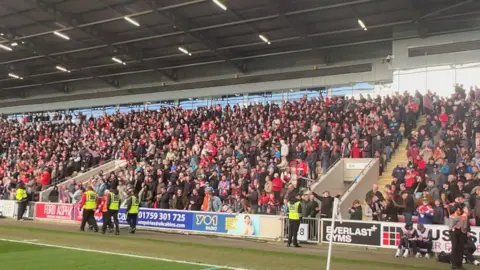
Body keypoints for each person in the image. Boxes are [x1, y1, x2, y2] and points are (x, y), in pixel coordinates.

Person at [449, 203, 469, 269]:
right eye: (457, 209)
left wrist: (467, 230)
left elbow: (466, 224)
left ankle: (459, 264)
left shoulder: (464, 214)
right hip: (454, 231)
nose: (458, 210)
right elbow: (451, 224)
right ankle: (453, 264)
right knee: (454, 247)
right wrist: (460, 219)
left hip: (462, 231)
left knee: (461, 248)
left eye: (459, 209)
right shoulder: (452, 215)